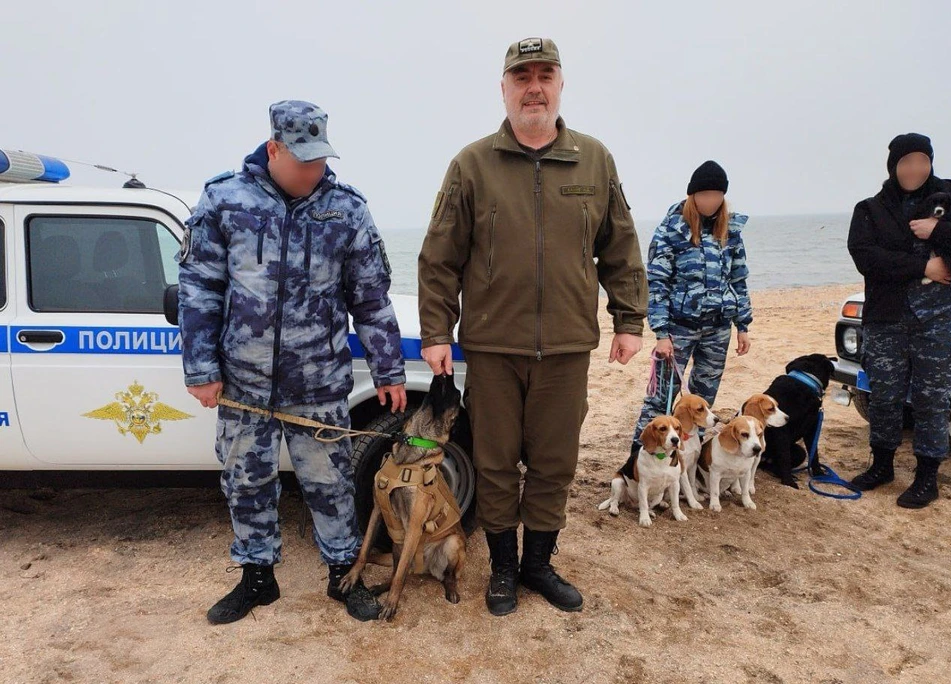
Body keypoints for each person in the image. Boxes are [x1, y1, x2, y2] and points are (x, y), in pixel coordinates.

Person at [418, 38, 647, 617]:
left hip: (568, 347)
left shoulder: (594, 160)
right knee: (494, 465)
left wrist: (629, 319)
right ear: (504, 88)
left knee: (553, 464)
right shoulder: (471, 164)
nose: (534, 87)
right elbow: (439, 256)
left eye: (545, 75)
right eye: (522, 77)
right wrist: (436, 331)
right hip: (493, 348)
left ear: (561, 84)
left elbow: (620, 245)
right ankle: (501, 569)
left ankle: (538, 565)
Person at [178, 100, 407, 623]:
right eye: (303, 160)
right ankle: (257, 579)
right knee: (246, 481)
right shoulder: (225, 200)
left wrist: (389, 369)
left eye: (320, 160)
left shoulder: (345, 209)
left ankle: (343, 577)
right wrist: (201, 369)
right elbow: (200, 289)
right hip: (243, 383)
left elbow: (370, 298)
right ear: (274, 148)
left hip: (319, 382)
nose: (314, 171)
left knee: (330, 486)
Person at [847, 133, 951, 508]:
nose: (914, 169)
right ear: (893, 166)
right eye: (906, 162)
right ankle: (882, 466)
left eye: (921, 161)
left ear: (930, 163)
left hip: (939, 319)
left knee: (931, 400)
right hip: (886, 318)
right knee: (884, 396)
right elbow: (867, 258)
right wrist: (922, 264)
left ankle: (927, 478)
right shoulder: (871, 209)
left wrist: (939, 231)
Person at [634, 161, 752, 438]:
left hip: (718, 328)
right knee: (660, 400)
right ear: (692, 196)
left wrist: (743, 325)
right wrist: (661, 333)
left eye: (716, 194)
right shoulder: (670, 231)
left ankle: (691, 461)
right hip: (679, 329)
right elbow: (657, 284)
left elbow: (738, 279)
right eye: (704, 194)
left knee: (703, 403)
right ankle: (639, 460)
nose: (710, 200)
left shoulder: (730, 232)